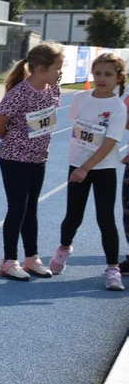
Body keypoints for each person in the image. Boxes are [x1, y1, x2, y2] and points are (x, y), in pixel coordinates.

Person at [49, 53, 126, 290]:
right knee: (74, 215)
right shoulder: (80, 98)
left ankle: (113, 269)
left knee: (105, 219)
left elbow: (110, 143)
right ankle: (63, 249)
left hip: (103, 168)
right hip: (77, 163)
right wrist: (80, 164)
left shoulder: (118, 107)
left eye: (108, 74)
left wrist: (86, 167)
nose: (101, 79)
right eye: (98, 73)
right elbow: (78, 127)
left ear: (119, 78)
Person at [0, 42, 64, 281]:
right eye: (57, 68)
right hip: (14, 158)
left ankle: (31, 258)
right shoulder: (20, 93)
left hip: (38, 157)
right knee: (18, 207)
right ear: (41, 68)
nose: (60, 73)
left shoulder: (53, 89)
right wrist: (15, 142)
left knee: (32, 207)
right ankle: (9, 261)